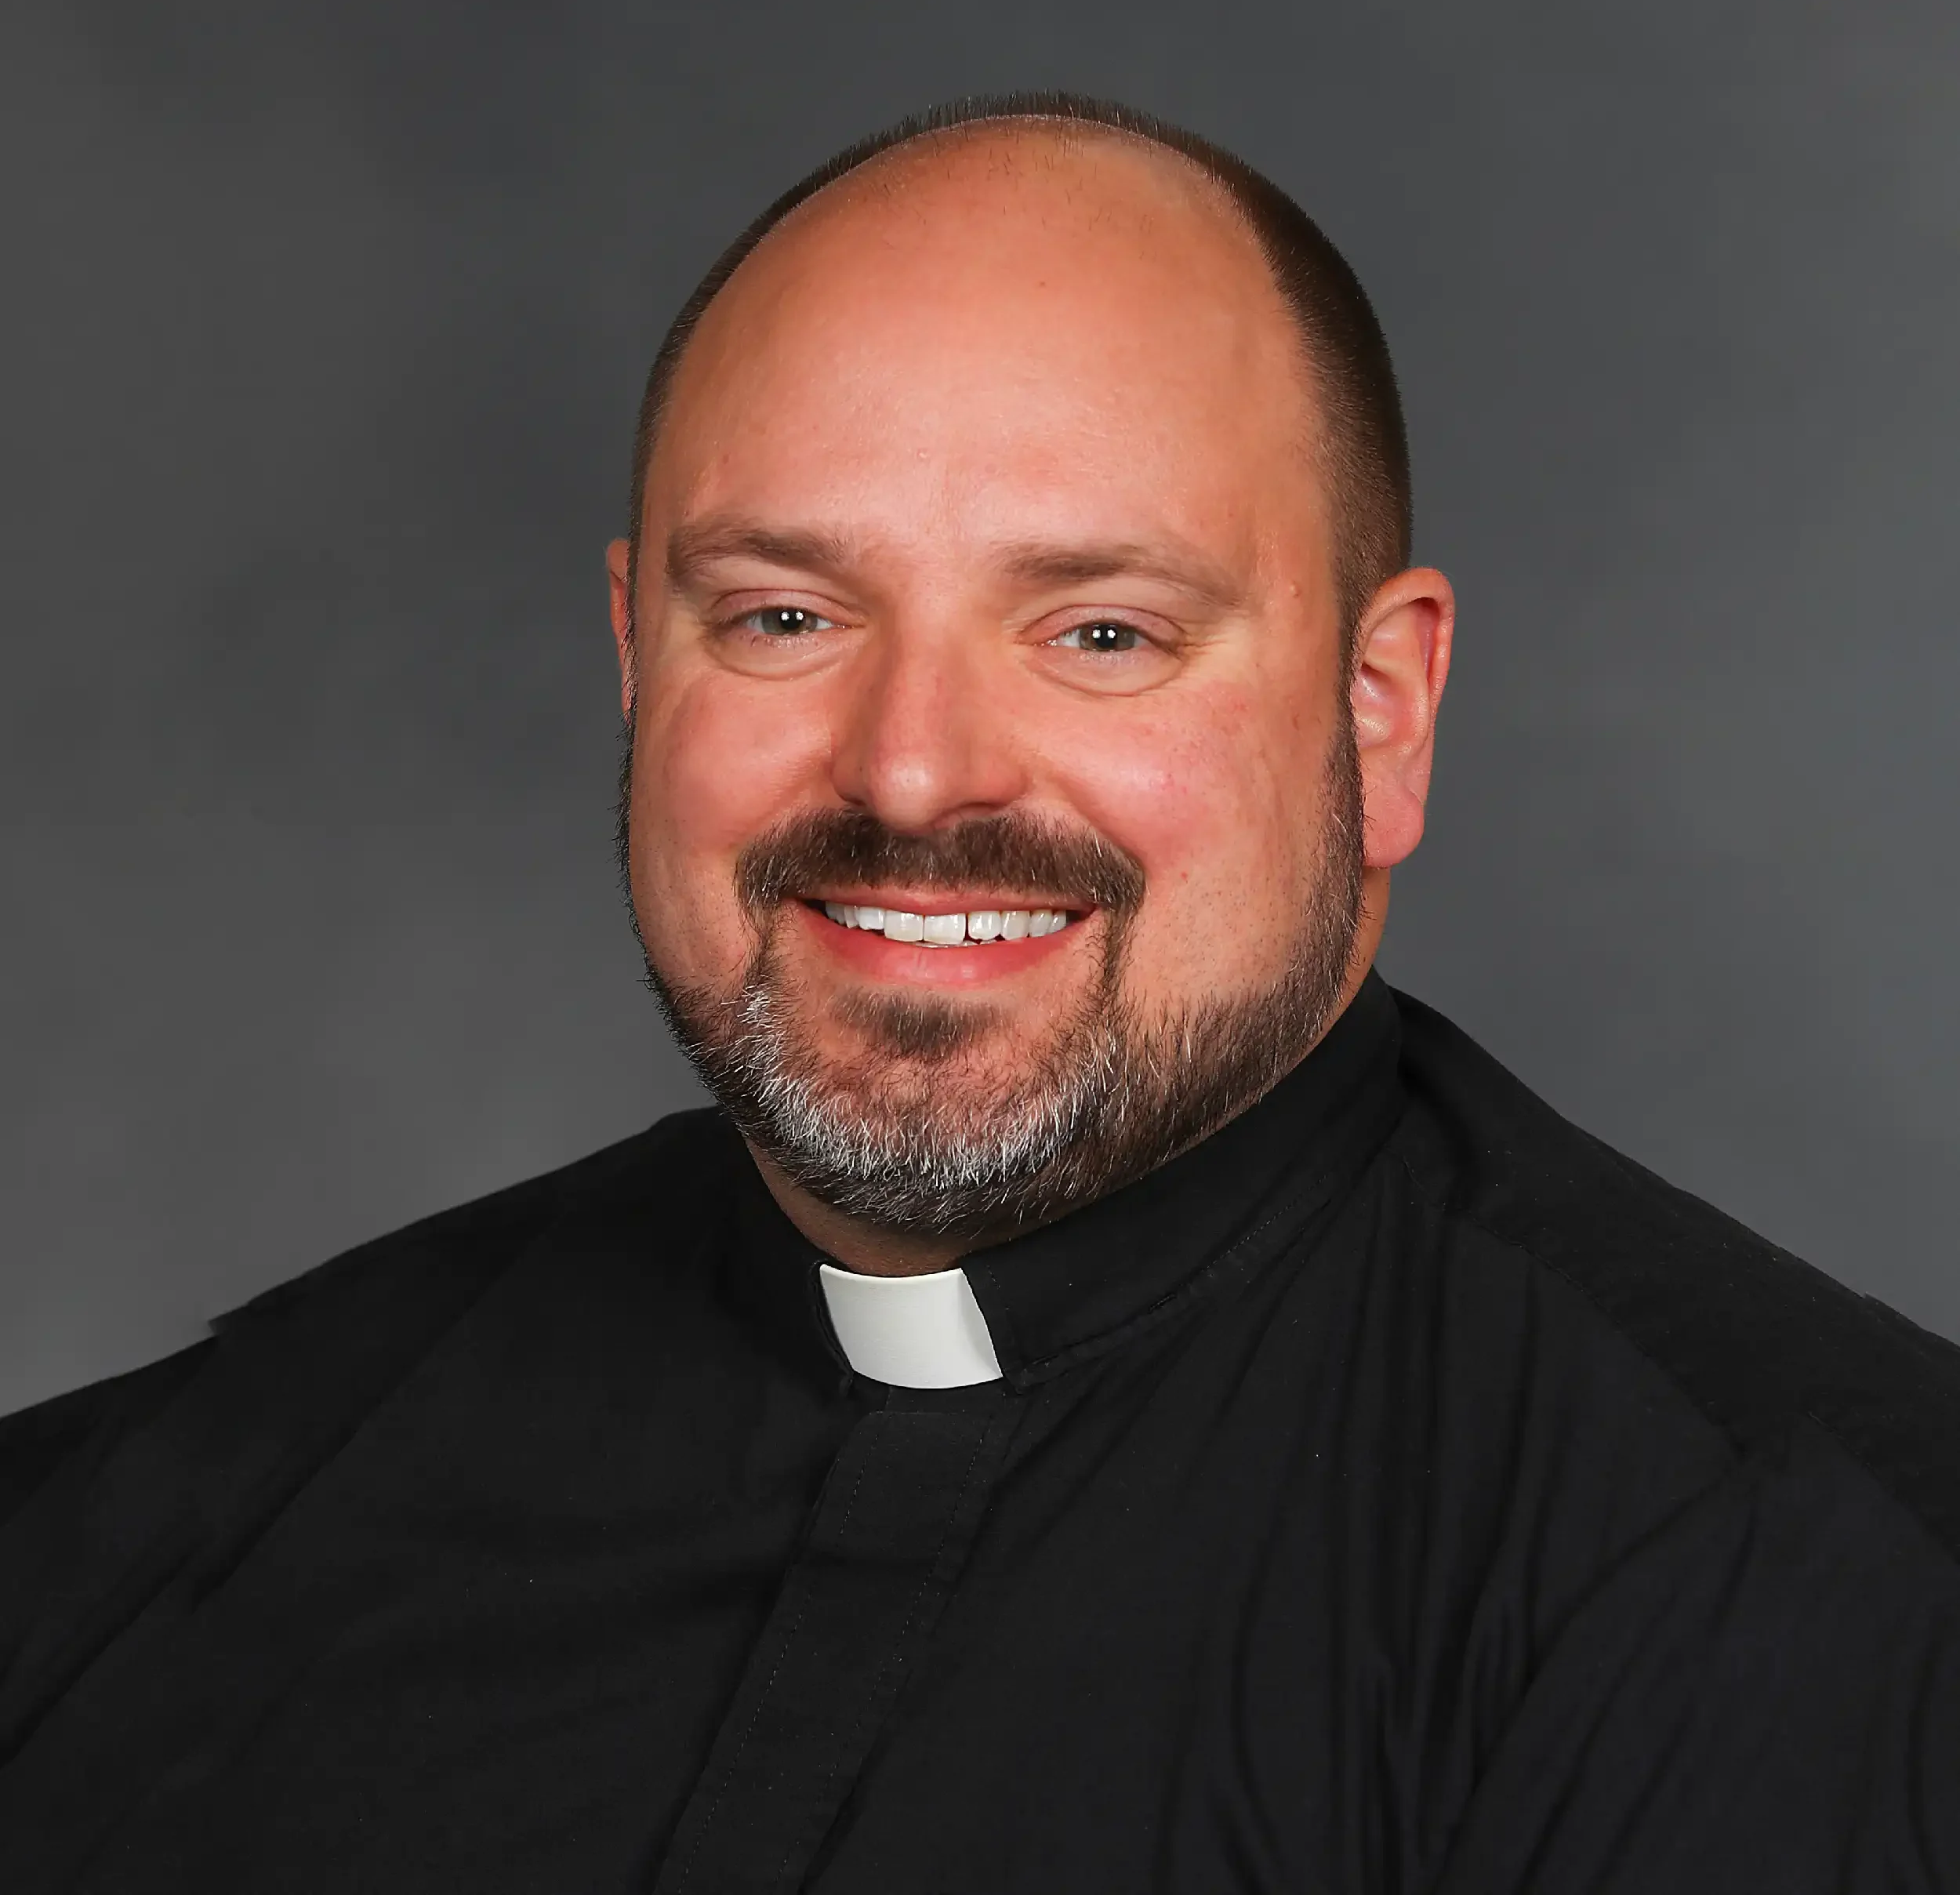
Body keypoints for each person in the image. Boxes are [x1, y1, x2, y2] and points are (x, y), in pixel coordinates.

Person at [2, 93, 1956, 1894]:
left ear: (1382, 712)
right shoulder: (145, 1519)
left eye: (1099, 630)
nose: (915, 769)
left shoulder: (1811, 1597)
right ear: (633, 657)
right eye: (782, 615)